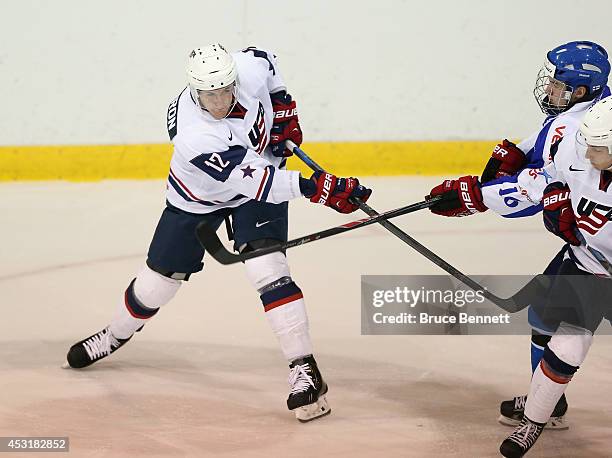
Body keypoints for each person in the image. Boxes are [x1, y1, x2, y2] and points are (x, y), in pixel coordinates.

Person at [63, 43, 371, 423]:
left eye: (226, 89)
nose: (221, 99)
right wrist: (316, 188)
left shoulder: (246, 69)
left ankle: (304, 370)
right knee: (156, 285)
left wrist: (284, 106)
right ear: (196, 91)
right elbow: (255, 181)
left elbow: (265, 58)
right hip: (199, 200)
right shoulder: (195, 135)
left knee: (268, 269)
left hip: (260, 175)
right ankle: (114, 334)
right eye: (211, 94)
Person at [426, 41, 610, 429]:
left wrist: (476, 197)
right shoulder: (592, 112)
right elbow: (539, 159)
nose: (550, 90)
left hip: (598, 254)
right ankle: (547, 403)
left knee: (566, 324)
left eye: (558, 84)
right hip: (587, 249)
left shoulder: (579, 131)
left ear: (581, 90)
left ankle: (546, 406)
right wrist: (512, 158)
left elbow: (539, 191)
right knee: (544, 314)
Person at [496, 96, 612, 456]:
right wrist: (551, 196)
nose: (588, 152)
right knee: (566, 344)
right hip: (586, 272)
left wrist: (573, 224)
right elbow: (546, 178)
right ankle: (534, 421)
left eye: (597, 147)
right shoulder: (581, 155)